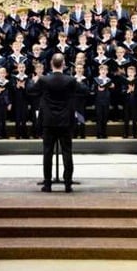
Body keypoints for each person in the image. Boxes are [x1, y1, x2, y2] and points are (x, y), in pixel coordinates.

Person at [30, 53, 78, 193]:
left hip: (49, 122)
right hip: (65, 122)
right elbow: (85, 91)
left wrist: (34, 81)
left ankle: (48, 184)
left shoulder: (44, 80)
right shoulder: (70, 80)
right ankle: (68, 184)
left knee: (47, 153)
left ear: (51, 64)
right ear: (63, 64)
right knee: (67, 152)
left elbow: (31, 91)